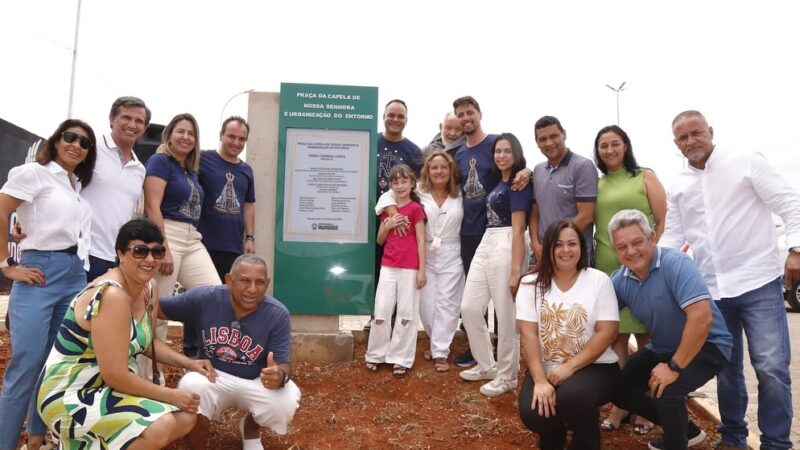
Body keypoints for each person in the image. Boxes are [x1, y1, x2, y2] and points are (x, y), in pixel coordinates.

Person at [660, 111, 799, 450]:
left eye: (696, 133)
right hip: (712, 290)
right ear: (675, 143)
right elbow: (674, 235)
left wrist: (796, 248)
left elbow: (788, 202)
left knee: (770, 367)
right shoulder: (678, 184)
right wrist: (653, 268)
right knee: (726, 368)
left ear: (710, 131)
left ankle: (776, 443)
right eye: (683, 137)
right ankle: (734, 437)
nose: (691, 141)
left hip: (758, 282)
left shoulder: (746, 162)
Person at [37, 219, 212, 449]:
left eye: (158, 252)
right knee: (159, 426)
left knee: (187, 416)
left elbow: (147, 340)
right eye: (140, 251)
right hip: (71, 393)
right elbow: (116, 376)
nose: (150, 259)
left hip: (108, 388)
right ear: (120, 253)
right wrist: (170, 395)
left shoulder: (149, 289)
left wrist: (189, 363)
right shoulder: (111, 295)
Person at [0, 119, 96, 450]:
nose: (76, 145)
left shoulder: (74, 186)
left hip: (73, 274)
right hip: (40, 270)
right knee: (26, 363)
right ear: (56, 140)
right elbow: (2, 211)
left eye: (84, 143)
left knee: (55, 364)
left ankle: (37, 440)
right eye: (70, 137)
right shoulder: (33, 173)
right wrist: (6, 266)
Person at [610, 209, 733, 450]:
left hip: (709, 345)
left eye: (637, 242)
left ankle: (674, 442)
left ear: (652, 238)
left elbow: (701, 318)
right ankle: (686, 431)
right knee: (620, 389)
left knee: (668, 390)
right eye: (622, 247)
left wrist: (674, 367)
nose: (631, 251)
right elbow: (600, 320)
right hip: (664, 346)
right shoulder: (620, 279)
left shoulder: (675, 263)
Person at [160, 254, 301, 450]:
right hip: (212, 376)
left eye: (259, 282)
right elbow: (156, 307)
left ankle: (250, 428)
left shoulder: (277, 314)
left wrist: (280, 376)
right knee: (190, 386)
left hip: (254, 380)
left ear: (267, 283)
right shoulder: (205, 298)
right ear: (229, 280)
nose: (252, 289)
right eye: (244, 281)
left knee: (286, 401)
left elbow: (283, 364)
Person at [517, 220, 620, 450]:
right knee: (532, 411)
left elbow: (608, 331)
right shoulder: (529, 284)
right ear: (549, 248)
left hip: (596, 366)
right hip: (547, 368)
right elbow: (528, 335)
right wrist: (541, 381)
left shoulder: (598, 280)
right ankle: (554, 437)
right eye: (559, 244)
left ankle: (586, 440)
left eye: (572, 244)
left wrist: (570, 367)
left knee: (573, 396)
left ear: (581, 248)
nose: (566, 250)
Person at [592, 125, 665, 434]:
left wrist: (645, 257)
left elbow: (660, 220)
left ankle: (647, 403)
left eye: (615, 144)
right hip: (608, 269)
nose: (609, 150)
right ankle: (623, 403)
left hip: (643, 270)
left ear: (625, 146)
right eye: (603, 146)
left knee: (647, 338)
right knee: (617, 338)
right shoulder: (597, 184)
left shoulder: (645, 176)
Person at [451, 96, 530, 367]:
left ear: (479, 114)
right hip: (470, 231)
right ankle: (479, 351)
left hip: (500, 232)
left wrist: (527, 171)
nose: (465, 118)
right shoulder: (459, 154)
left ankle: (502, 351)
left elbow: (517, 170)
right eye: (460, 114)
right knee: (475, 297)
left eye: (469, 112)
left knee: (502, 299)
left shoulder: (496, 144)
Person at [143, 113, 221, 361]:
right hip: (167, 233)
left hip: (192, 238)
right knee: (157, 310)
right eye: (181, 131)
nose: (186, 137)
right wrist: (161, 246)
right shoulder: (159, 161)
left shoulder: (190, 170)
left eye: (191, 133)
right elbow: (152, 206)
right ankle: (150, 380)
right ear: (170, 134)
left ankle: (210, 360)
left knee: (216, 296)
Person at [367, 99, 423, 332]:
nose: (395, 119)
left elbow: (418, 187)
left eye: (400, 116)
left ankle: (397, 319)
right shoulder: (371, 142)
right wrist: (389, 208)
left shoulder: (413, 151)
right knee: (376, 268)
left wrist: (400, 214)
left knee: (398, 269)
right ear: (384, 116)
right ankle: (376, 316)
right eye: (391, 115)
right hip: (373, 216)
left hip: (403, 223)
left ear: (406, 120)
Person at [365, 164, 426, 378]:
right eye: (396, 182)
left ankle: (401, 357)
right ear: (391, 185)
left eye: (404, 181)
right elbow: (380, 240)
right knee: (382, 309)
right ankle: (376, 353)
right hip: (388, 266)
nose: (400, 186)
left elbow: (420, 239)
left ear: (412, 184)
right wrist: (388, 225)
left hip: (410, 267)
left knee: (406, 313)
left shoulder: (416, 209)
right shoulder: (387, 209)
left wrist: (422, 270)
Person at [81, 96, 150, 282]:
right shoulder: (90, 148)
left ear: (144, 128)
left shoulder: (140, 169)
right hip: (82, 254)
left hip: (114, 259)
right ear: (112, 119)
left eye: (139, 121)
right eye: (126, 117)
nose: (132, 124)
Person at [416, 151, 464, 372]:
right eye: (434, 167)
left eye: (443, 167)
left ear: (450, 170)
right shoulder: (418, 192)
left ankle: (440, 352)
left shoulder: (460, 194)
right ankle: (436, 342)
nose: (439, 171)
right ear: (428, 170)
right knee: (426, 304)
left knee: (447, 303)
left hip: (452, 251)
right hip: (424, 251)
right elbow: (391, 195)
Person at [529, 116, 598, 264]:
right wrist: (535, 244)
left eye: (554, 136)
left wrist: (554, 246)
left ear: (564, 134)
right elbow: (535, 212)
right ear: (537, 143)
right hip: (543, 257)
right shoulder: (538, 170)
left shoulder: (583, 166)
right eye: (543, 139)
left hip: (575, 258)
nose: (549, 143)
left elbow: (586, 217)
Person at [197, 116, 256, 281]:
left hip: (234, 248)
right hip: (202, 245)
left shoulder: (247, 170)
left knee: (227, 295)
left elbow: (248, 205)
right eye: (231, 136)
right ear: (221, 135)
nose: (236, 142)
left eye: (242, 139)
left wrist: (250, 238)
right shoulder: (201, 159)